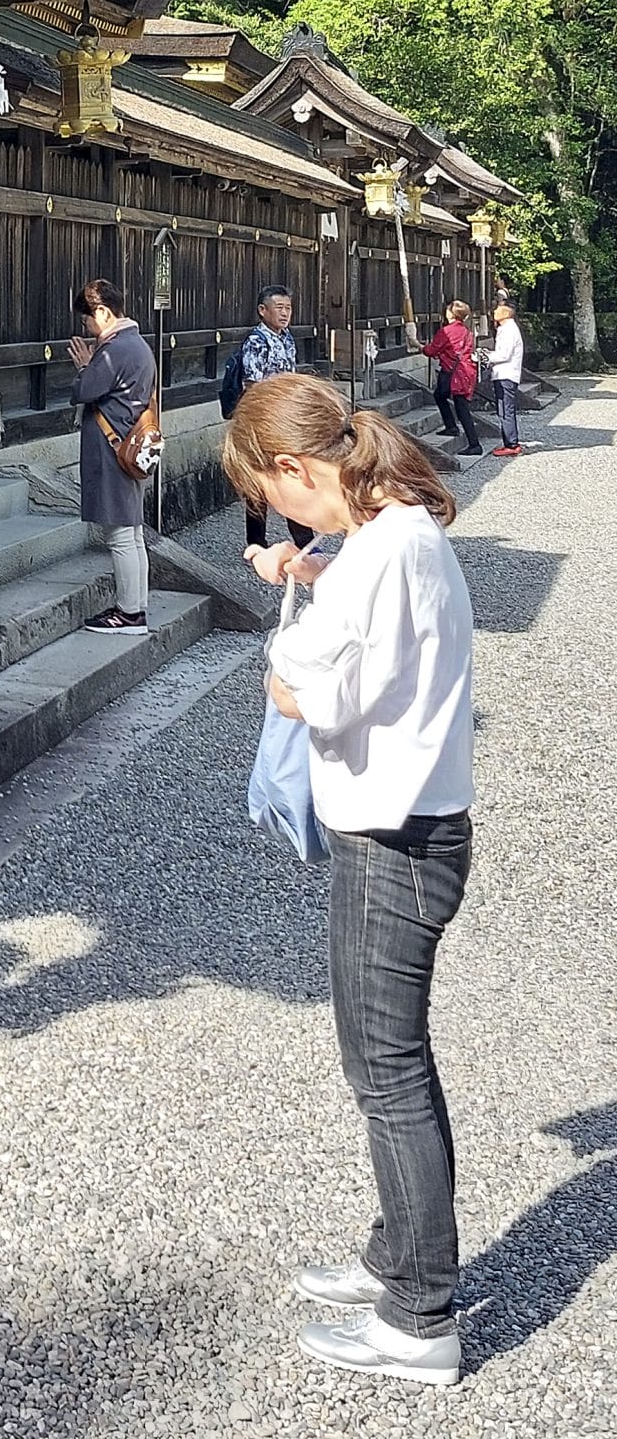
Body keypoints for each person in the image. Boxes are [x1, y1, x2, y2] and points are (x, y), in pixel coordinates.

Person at [224, 376, 473, 1390]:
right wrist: (318, 575)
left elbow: (308, 689)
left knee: (387, 1073)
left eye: (269, 492)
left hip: (392, 840)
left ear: (293, 467)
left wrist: (284, 659)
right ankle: (398, 1257)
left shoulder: (379, 555)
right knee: (393, 1063)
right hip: (416, 826)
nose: (277, 512)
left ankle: (419, 1317)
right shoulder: (396, 532)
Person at [67, 277, 158, 635]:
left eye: (88, 318)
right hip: (130, 445)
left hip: (112, 448)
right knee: (132, 534)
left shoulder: (115, 349)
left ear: (103, 313)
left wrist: (84, 367)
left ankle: (129, 613)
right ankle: (137, 605)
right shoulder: (137, 345)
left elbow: (84, 390)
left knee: (120, 536)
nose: (86, 326)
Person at [235, 286, 315, 556]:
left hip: (285, 416)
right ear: (262, 310)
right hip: (263, 419)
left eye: (288, 308)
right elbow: (252, 384)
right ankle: (256, 543)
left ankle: (305, 541)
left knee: (290, 478)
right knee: (260, 482)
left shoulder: (287, 338)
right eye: (279, 308)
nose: (285, 313)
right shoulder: (256, 341)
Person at [422, 301, 482, 458]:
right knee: (440, 395)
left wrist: (421, 347)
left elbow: (432, 350)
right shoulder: (466, 331)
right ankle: (451, 426)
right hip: (464, 371)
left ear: (451, 314)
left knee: (461, 407)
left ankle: (474, 444)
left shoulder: (447, 331)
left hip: (452, 371)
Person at [487, 301, 524, 456]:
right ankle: (509, 441)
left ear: (507, 312)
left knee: (506, 409)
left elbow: (504, 354)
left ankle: (512, 443)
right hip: (504, 374)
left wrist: (486, 356)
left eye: (498, 308)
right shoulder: (505, 328)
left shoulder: (509, 330)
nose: (495, 311)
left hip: (506, 374)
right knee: (503, 409)